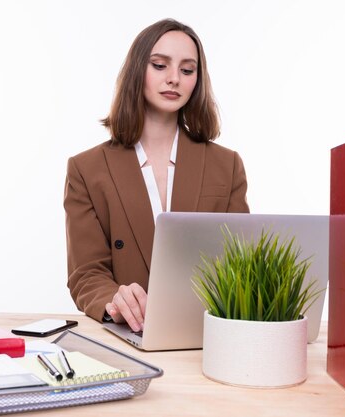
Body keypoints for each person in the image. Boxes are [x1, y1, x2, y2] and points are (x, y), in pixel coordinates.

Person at [63, 18, 249, 332]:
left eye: (187, 70)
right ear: (138, 70)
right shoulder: (87, 169)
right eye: (160, 65)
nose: (174, 79)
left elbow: (241, 264)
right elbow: (86, 274)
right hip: (127, 335)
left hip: (207, 335)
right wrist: (115, 301)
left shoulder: (226, 164)